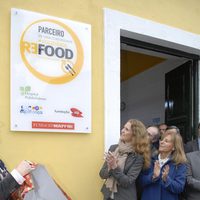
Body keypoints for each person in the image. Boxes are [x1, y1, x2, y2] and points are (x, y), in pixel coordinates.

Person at [99, 119, 150, 200]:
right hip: (108, 195)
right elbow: (102, 175)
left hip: (124, 197)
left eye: (126, 129)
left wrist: (115, 167)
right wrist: (109, 168)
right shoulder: (113, 148)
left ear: (134, 135)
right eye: (123, 128)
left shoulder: (138, 156)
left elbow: (127, 182)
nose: (122, 131)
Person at [139, 127, 187, 200]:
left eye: (166, 141)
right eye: (162, 140)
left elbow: (179, 188)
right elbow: (140, 181)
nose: (161, 142)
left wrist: (166, 179)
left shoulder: (179, 164)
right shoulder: (150, 159)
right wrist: (153, 176)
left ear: (174, 147)